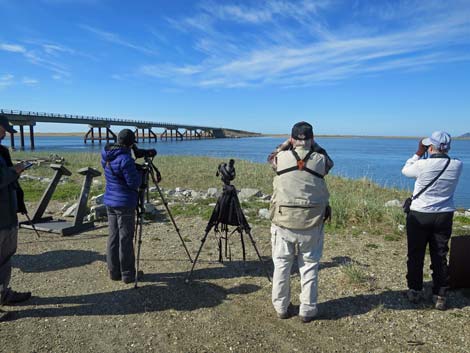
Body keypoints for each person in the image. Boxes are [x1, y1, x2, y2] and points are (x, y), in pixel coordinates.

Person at [268, 121, 333, 323]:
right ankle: (307, 309)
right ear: (312, 139)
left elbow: (270, 158)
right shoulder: (320, 159)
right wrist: (314, 146)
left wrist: (285, 144)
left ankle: (281, 307)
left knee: (281, 265)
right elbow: (329, 163)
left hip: (283, 221)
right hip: (311, 222)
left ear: (292, 138)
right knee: (309, 266)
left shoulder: (280, 158)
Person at [402, 131, 463, 310]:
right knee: (440, 254)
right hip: (444, 215)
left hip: (420, 214)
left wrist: (418, 152)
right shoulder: (457, 165)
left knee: (415, 254)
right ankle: (440, 295)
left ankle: (415, 290)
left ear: (431, 147)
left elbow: (405, 170)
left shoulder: (422, 165)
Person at [0, 114, 32, 322]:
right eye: (3, 130)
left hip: (7, 215)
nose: (5, 134)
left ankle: (4, 293)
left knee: (5, 258)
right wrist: (16, 170)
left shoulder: (1, 151)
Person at [101, 129, 142, 284]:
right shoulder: (125, 159)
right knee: (125, 238)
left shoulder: (106, 155)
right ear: (130, 144)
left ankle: (114, 271)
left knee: (113, 237)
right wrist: (139, 173)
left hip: (110, 202)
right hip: (124, 203)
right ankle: (128, 274)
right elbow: (134, 183)